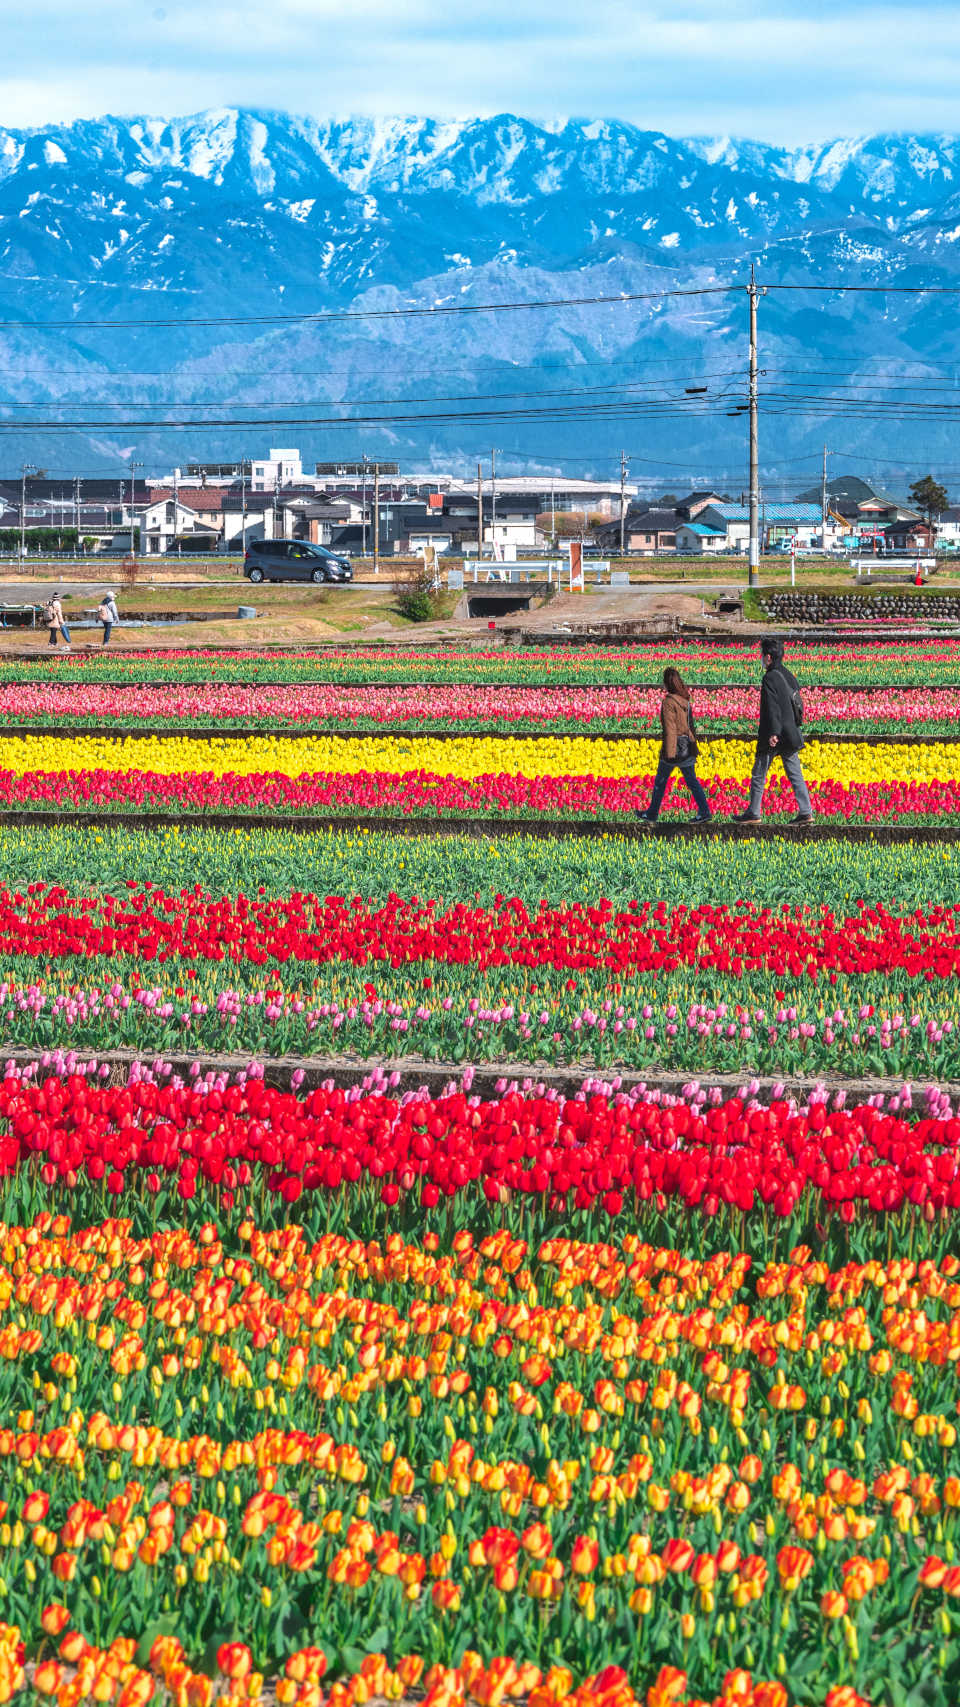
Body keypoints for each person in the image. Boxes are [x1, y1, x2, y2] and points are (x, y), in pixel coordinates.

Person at [733, 637, 813, 825]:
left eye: (762, 655)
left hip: (774, 734)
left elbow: (772, 707)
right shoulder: (787, 674)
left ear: (768, 657)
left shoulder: (769, 678)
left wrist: (773, 733)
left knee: (759, 773)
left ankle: (753, 812)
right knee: (795, 774)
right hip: (791, 733)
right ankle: (806, 811)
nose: (761, 659)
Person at [638, 666, 712, 824]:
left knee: (660, 781)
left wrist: (669, 754)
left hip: (674, 749)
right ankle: (704, 811)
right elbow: (690, 725)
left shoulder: (668, 702)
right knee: (692, 780)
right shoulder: (685, 700)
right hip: (686, 747)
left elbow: (670, 730)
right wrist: (693, 746)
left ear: (667, 684)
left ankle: (652, 813)